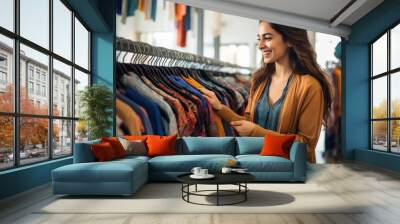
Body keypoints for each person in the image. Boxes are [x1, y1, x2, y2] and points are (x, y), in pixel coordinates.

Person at [200, 21, 333, 163]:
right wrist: (220, 108)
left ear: (289, 40)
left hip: (291, 176)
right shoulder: (260, 82)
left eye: (268, 38)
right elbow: (249, 124)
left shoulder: (310, 86)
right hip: (257, 168)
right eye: (259, 39)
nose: (260, 45)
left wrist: (256, 132)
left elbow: (305, 145)